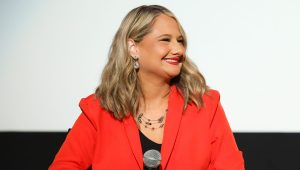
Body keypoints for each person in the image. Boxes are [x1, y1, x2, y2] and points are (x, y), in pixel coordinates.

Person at [49, 5, 244, 170]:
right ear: (133, 48)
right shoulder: (98, 110)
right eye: (165, 40)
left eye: (180, 41)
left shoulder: (206, 105)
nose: (178, 50)